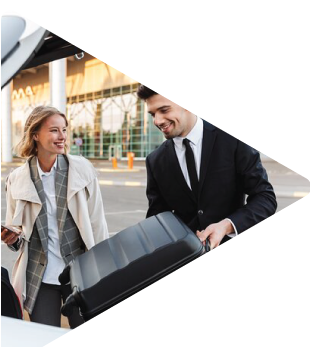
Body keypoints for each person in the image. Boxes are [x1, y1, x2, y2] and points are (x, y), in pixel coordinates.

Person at [1, 106, 109, 328]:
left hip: (81, 271)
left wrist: (106, 269)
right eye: (54, 130)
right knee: (45, 334)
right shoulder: (17, 180)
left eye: (64, 130)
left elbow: (98, 224)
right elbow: (17, 234)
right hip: (40, 277)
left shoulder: (82, 170)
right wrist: (12, 238)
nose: (62, 137)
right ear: (35, 135)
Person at [137, 85, 277, 250]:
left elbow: (265, 198)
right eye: (153, 114)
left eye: (164, 110)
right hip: (184, 256)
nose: (157, 121)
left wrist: (227, 226)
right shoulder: (155, 160)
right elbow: (157, 219)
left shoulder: (232, 140)